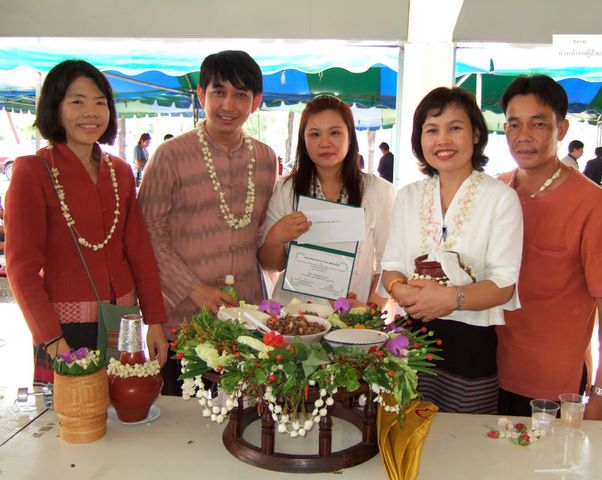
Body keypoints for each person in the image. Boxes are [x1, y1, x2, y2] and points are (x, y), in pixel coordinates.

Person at [4, 60, 168, 384]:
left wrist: (155, 321)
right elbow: (21, 269)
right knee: (73, 413)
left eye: (100, 102)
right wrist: (53, 341)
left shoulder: (120, 171)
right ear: (55, 108)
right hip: (63, 330)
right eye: (77, 102)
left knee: (128, 407)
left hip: (124, 323)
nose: (91, 113)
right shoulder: (32, 171)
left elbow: (140, 253)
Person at [137, 50, 277, 395]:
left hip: (247, 323)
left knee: (243, 416)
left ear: (256, 102)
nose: (228, 104)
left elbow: (262, 231)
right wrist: (193, 288)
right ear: (202, 95)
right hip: (183, 320)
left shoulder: (266, 159)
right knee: (181, 419)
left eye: (240, 94)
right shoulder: (169, 156)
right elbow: (147, 233)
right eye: (218, 92)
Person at [381, 87, 523, 414]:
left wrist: (451, 298)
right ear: (420, 139)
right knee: (404, 429)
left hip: (471, 346)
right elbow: (391, 266)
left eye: (454, 128)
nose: (442, 140)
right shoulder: (409, 195)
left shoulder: (501, 198)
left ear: (476, 134)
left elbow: (504, 284)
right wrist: (400, 289)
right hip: (411, 339)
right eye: (431, 130)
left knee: (463, 438)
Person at [497, 74, 602, 421]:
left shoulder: (594, 205)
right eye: (514, 124)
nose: (523, 136)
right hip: (485, 374)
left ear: (562, 129)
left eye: (538, 124)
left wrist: (600, 395)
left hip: (552, 388)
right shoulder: (495, 192)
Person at [258, 95, 395, 306]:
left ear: (350, 137)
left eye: (335, 133)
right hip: (292, 314)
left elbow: (389, 261)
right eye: (314, 134)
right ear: (304, 141)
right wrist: (275, 237)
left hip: (350, 317)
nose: (325, 143)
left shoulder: (379, 191)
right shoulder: (286, 190)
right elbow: (271, 265)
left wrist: (370, 312)